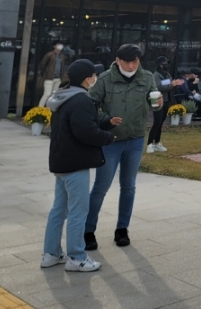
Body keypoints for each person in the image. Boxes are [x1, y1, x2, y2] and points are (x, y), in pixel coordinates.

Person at [42, 60, 121, 273]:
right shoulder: (81, 100)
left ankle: (51, 253)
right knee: (78, 212)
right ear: (88, 79)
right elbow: (86, 132)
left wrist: (106, 123)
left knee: (59, 210)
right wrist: (109, 137)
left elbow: (80, 124)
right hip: (75, 164)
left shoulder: (63, 96)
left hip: (61, 162)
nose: (96, 77)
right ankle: (77, 257)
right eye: (94, 75)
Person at [84, 44, 162, 250]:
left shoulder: (147, 77)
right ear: (117, 61)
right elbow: (90, 106)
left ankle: (122, 229)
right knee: (101, 187)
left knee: (128, 186)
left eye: (134, 61)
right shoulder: (105, 79)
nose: (130, 66)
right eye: (126, 62)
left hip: (136, 139)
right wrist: (106, 120)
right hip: (111, 140)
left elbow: (153, 101)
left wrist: (158, 103)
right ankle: (88, 231)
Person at [147, 56, 173, 153]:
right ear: (160, 65)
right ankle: (149, 144)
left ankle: (157, 143)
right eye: (165, 63)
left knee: (161, 123)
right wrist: (171, 84)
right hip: (157, 101)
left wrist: (173, 85)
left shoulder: (167, 74)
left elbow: (169, 84)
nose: (167, 65)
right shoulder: (156, 75)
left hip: (166, 100)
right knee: (156, 123)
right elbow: (158, 86)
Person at [38, 42, 69, 108]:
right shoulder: (49, 55)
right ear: (54, 46)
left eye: (61, 44)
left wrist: (61, 76)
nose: (60, 46)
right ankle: (40, 109)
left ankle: (49, 109)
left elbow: (62, 67)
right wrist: (45, 74)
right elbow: (42, 65)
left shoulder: (62, 56)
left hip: (58, 78)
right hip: (49, 78)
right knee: (47, 94)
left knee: (53, 95)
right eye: (58, 44)